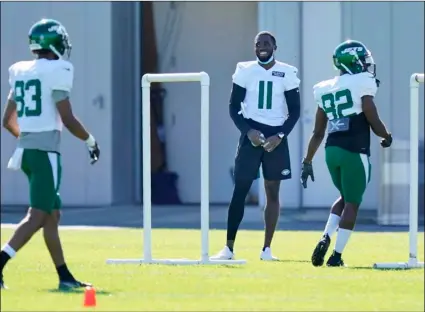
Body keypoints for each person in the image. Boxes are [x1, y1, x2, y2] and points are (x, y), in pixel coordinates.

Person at [0, 18, 100, 290]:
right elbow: (67, 119)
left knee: (51, 216)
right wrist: (90, 140)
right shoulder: (58, 69)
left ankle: (64, 277)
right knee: (37, 216)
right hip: (45, 154)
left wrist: (29, 138)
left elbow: (7, 120)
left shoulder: (21, 70)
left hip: (28, 153)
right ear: (54, 43)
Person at [300, 40, 392, 267]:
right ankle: (336, 256)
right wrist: (386, 136)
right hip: (355, 149)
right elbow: (371, 115)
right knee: (353, 203)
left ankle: (326, 236)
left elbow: (318, 131)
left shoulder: (325, 87)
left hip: (332, 150)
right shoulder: (362, 82)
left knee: (344, 197)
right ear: (354, 61)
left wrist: (307, 160)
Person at [211, 31, 301, 261]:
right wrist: (248, 131)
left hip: (275, 136)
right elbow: (233, 107)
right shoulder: (245, 70)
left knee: (272, 191)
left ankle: (267, 249)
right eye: (258, 44)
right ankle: (228, 248)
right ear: (254, 48)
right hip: (252, 133)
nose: (262, 47)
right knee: (240, 189)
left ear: (274, 46)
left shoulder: (287, 72)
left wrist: (279, 135)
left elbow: (295, 111)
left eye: (266, 43)